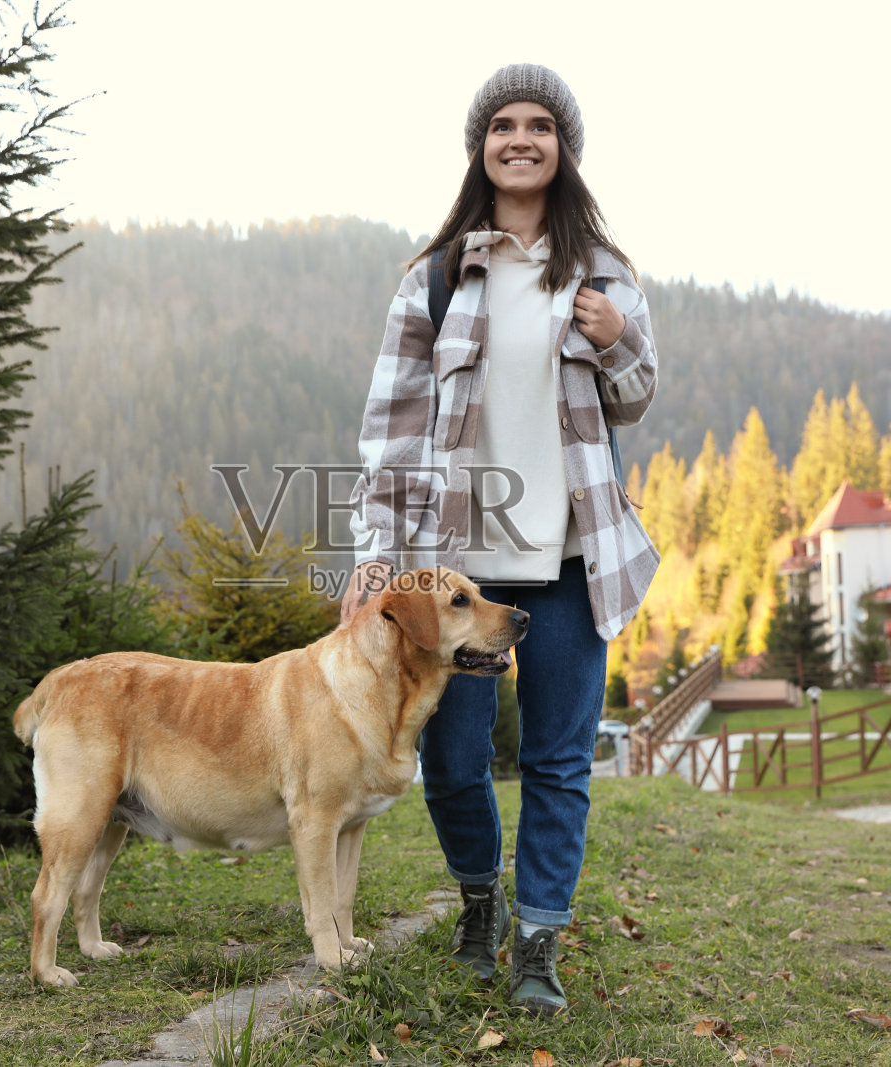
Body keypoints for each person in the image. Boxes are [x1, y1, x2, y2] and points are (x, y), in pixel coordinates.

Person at [340, 64, 660, 1014]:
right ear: (481, 147)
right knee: (450, 759)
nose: (521, 139)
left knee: (558, 761)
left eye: (540, 126)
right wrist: (374, 551)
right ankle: (480, 902)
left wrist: (616, 337)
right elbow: (392, 429)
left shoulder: (605, 272)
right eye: (503, 126)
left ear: (565, 148)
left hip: (569, 559)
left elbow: (635, 399)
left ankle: (538, 939)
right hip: (455, 572)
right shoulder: (435, 278)